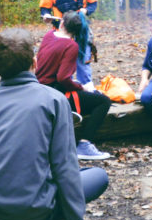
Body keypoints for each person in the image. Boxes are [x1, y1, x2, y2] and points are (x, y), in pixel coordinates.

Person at [0, 29, 108, 220]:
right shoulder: (55, 100)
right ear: (35, 62)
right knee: (98, 176)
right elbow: (64, 166)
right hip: (34, 212)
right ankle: (50, 214)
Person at [35, 10, 113, 161]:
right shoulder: (71, 46)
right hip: (53, 93)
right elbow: (63, 78)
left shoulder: (49, 35)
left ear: (62, 23)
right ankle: (84, 144)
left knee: (83, 91)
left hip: (38, 89)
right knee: (103, 101)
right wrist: (80, 87)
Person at [38, 0, 99, 84]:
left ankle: (86, 90)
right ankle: (66, 93)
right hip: (60, 31)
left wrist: (85, 11)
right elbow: (44, 8)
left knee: (83, 63)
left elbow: (93, 4)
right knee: (62, 66)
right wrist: (46, 16)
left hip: (81, 30)